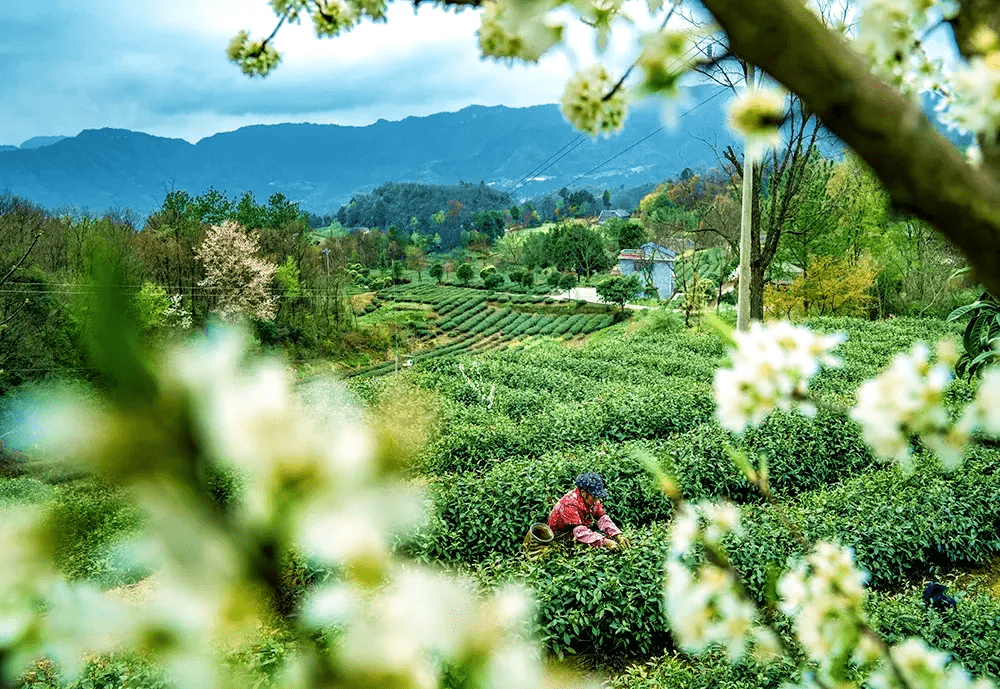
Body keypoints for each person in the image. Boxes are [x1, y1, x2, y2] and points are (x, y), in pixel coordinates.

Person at [547, 472, 630, 551]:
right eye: (595, 496)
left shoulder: (592, 500)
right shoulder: (569, 504)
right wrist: (605, 542)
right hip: (561, 538)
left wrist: (617, 536)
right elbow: (580, 532)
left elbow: (602, 518)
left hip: (577, 532)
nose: (597, 499)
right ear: (584, 493)